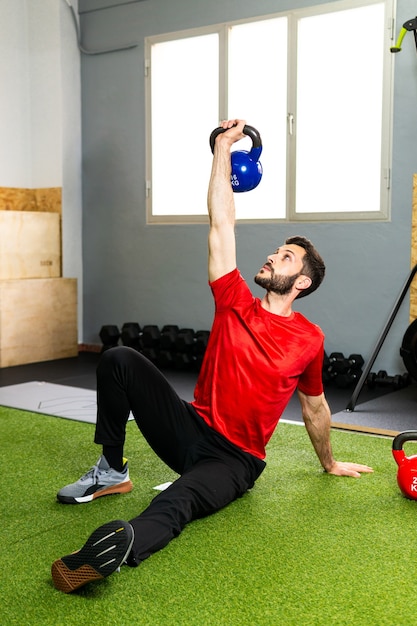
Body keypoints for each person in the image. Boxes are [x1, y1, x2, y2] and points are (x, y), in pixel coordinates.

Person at [51, 119, 373, 593]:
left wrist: (329, 463)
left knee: (178, 504)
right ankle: (112, 470)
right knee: (119, 358)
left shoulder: (309, 339)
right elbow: (222, 221)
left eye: (285, 258)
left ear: (301, 283)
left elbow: (315, 406)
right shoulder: (233, 298)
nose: (271, 257)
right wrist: (222, 148)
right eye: (276, 251)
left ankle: (116, 546)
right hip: (189, 427)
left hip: (236, 461)